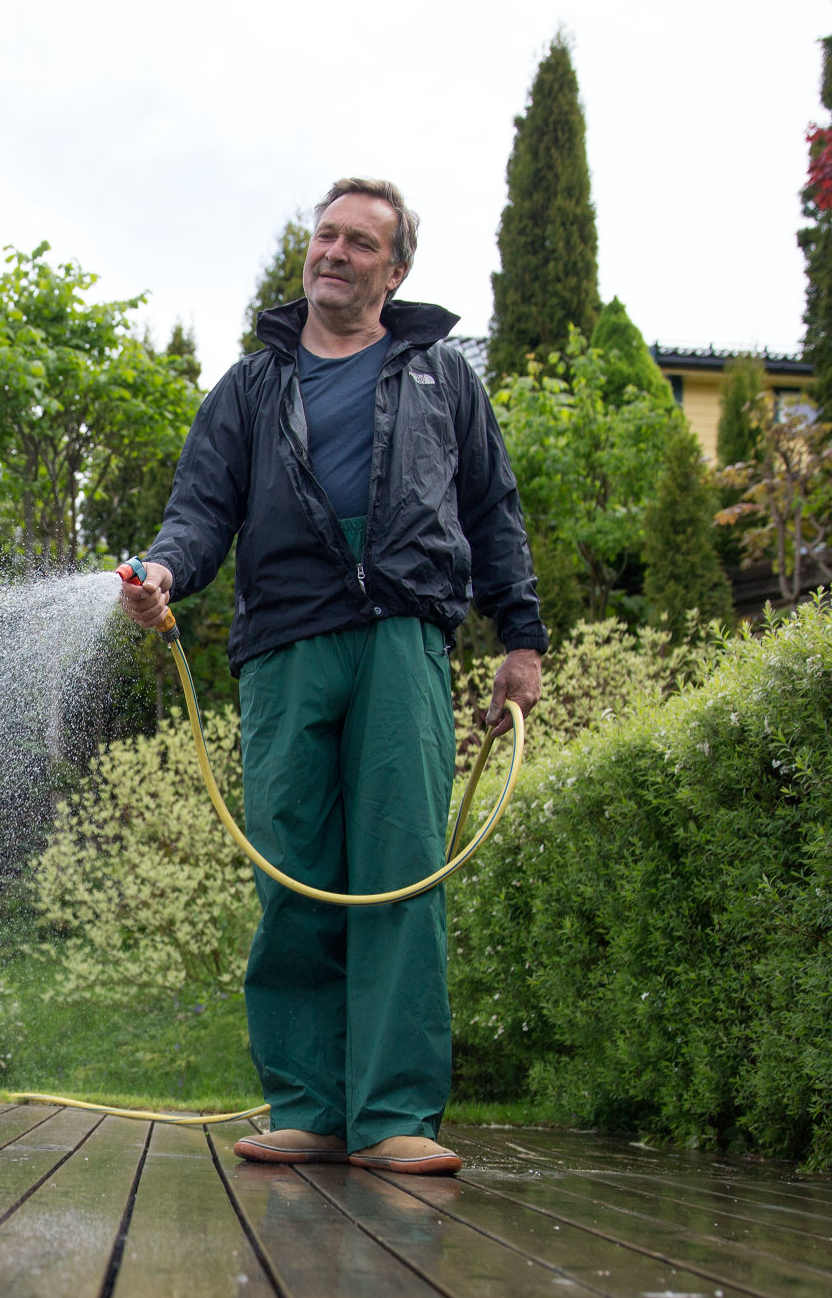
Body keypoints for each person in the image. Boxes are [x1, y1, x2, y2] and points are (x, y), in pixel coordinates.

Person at [117, 178, 543, 1175]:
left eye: (360, 242)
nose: (334, 253)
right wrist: (163, 572)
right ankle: (306, 1105)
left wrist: (519, 639)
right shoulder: (249, 388)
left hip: (403, 640)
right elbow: (198, 514)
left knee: (398, 871)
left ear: (394, 273)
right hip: (286, 646)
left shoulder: (443, 377)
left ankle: (393, 1116)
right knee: (295, 873)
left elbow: (494, 514)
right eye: (325, 235)